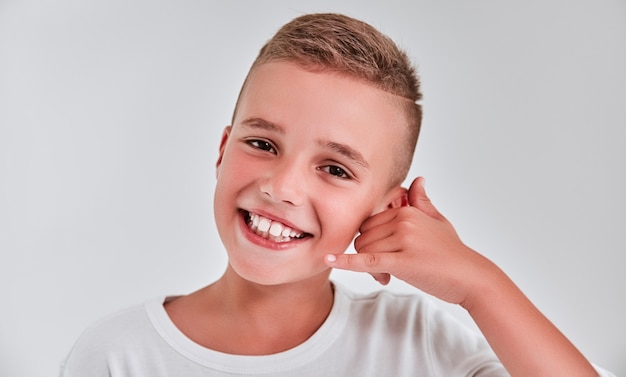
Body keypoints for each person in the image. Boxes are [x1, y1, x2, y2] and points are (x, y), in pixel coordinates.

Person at [60, 13, 614, 377]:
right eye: (261, 143)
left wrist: (480, 287)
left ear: (387, 210)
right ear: (223, 149)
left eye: (334, 169)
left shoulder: (415, 344)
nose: (281, 187)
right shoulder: (118, 355)